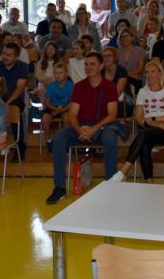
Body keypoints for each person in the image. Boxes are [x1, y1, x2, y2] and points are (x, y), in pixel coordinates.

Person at [47, 52, 120, 203]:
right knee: (59, 137)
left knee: (110, 139)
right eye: (86, 64)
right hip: (81, 126)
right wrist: (80, 129)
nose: (88, 67)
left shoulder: (110, 87)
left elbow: (112, 115)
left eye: (92, 64)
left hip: (102, 127)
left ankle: (111, 186)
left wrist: (94, 129)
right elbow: (72, 114)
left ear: (101, 66)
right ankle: (59, 187)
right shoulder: (79, 86)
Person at [110, 61, 164, 183]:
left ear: (159, 74)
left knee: (143, 135)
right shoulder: (142, 91)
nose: (149, 75)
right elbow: (138, 117)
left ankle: (123, 171)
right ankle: (149, 183)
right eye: (147, 72)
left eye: (152, 71)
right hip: (148, 128)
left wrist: (153, 119)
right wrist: (152, 123)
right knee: (145, 143)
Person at [0, 43, 29, 158]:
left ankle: (20, 146)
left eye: (9, 55)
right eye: (3, 53)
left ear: (16, 57)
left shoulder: (23, 66)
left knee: (14, 109)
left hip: (15, 100)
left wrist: (6, 103)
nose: (5, 57)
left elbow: (19, 89)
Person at [42, 63, 74, 152]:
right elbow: (47, 102)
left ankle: (66, 141)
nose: (58, 75)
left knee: (67, 118)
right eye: (56, 73)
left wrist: (61, 110)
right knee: (44, 119)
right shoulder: (51, 86)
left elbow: (72, 102)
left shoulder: (71, 85)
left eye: (61, 73)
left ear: (66, 74)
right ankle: (48, 141)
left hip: (65, 108)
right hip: (53, 107)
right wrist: (55, 109)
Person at [102, 47, 131, 117]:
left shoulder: (122, 71)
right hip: (105, 102)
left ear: (115, 58)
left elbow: (116, 93)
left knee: (103, 109)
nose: (106, 58)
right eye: (104, 56)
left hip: (124, 102)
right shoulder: (100, 71)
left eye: (109, 55)